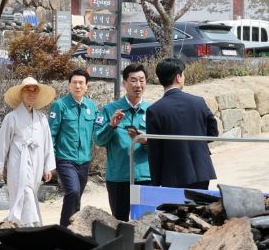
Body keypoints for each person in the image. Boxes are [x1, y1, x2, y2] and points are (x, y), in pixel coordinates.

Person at [0, 77, 56, 226]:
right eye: (27, 90)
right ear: (21, 93)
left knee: (31, 191)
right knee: (24, 191)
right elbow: (3, 142)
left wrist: (47, 167)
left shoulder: (42, 118)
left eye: (34, 90)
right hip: (18, 161)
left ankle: (19, 224)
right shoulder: (11, 117)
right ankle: (31, 226)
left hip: (36, 161)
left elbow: (47, 143)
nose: (31, 93)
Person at [146, 57, 218, 189]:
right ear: (178, 77)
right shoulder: (198, 102)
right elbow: (213, 132)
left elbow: (154, 150)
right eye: (183, 74)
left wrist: (155, 181)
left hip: (172, 174)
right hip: (201, 171)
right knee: (199, 202)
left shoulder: (154, 110)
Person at [93, 63, 151, 221]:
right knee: (119, 223)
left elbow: (162, 146)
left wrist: (146, 142)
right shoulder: (110, 110)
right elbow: (98, 140)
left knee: (147, 223)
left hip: (145, 177)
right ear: (124, 83)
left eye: (141, 80)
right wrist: (111, 126)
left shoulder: (152, 110)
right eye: (133, 80)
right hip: (118, 177)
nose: (138, 85)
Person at [49, 69, 97, 227]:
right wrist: (50, 161)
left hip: (84, 160)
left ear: (86, 86)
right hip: (65, 159)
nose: (78, 86)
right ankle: (63, 229)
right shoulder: (60, 105)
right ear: (69, 85)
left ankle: (74, 229)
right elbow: (51, 134)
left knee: (77, 198)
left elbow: (98, 131)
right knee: (73, 191)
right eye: (74, 82)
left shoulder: (91, 106)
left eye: (81, 83)